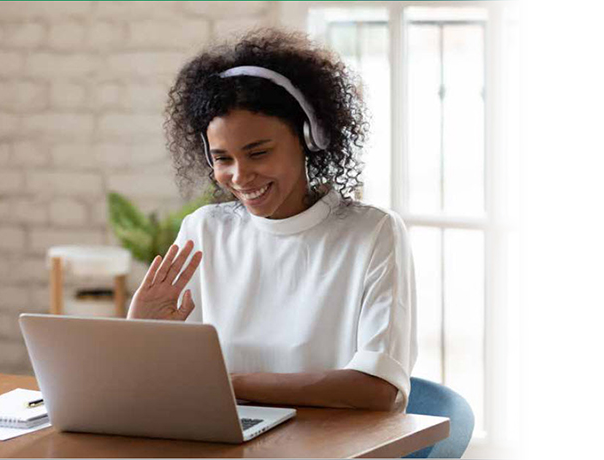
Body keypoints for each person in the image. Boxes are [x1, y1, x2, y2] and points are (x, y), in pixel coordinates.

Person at [126, 28, 417, 412]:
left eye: (258, 153)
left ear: (309, 138)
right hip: (223, 437)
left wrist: (233, 385)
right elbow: (166, 383)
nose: (240, 176)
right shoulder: (204, 230)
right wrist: (141, 333)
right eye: (223, 158)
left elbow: (377, 389)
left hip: (330, 445)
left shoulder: (373, 234)